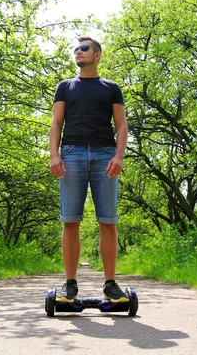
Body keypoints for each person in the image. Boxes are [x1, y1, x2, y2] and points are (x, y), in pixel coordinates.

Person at [49, 36, 129, 303]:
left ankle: (110, 284)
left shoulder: (111, 88)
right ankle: (70, 284)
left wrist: (119, 156)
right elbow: (56, 122)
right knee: (70, 220)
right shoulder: (65, 87)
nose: (78, 52)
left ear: (97, 55)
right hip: (72, 155)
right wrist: (54, 155)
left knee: (108, 221)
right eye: (75, 49)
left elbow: (120, 125)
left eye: (84, 49)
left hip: (105, 156)